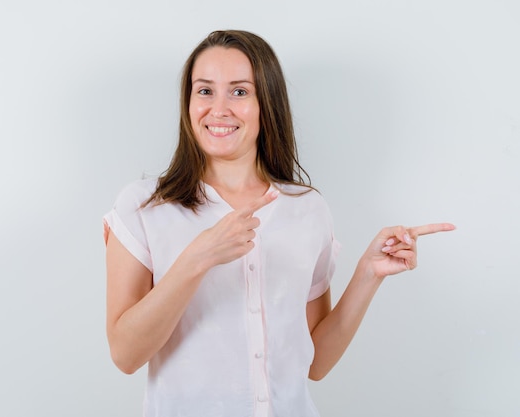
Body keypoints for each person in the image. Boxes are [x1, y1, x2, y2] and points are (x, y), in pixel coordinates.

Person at [103, 29, 455, 417]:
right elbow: (125, 354)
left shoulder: (307, 208)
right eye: (204, 91)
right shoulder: (144, 206)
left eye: (239, 91)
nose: (218, 109)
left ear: (266, 103)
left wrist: (368, 274)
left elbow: (316, 362)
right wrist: (197, 258)